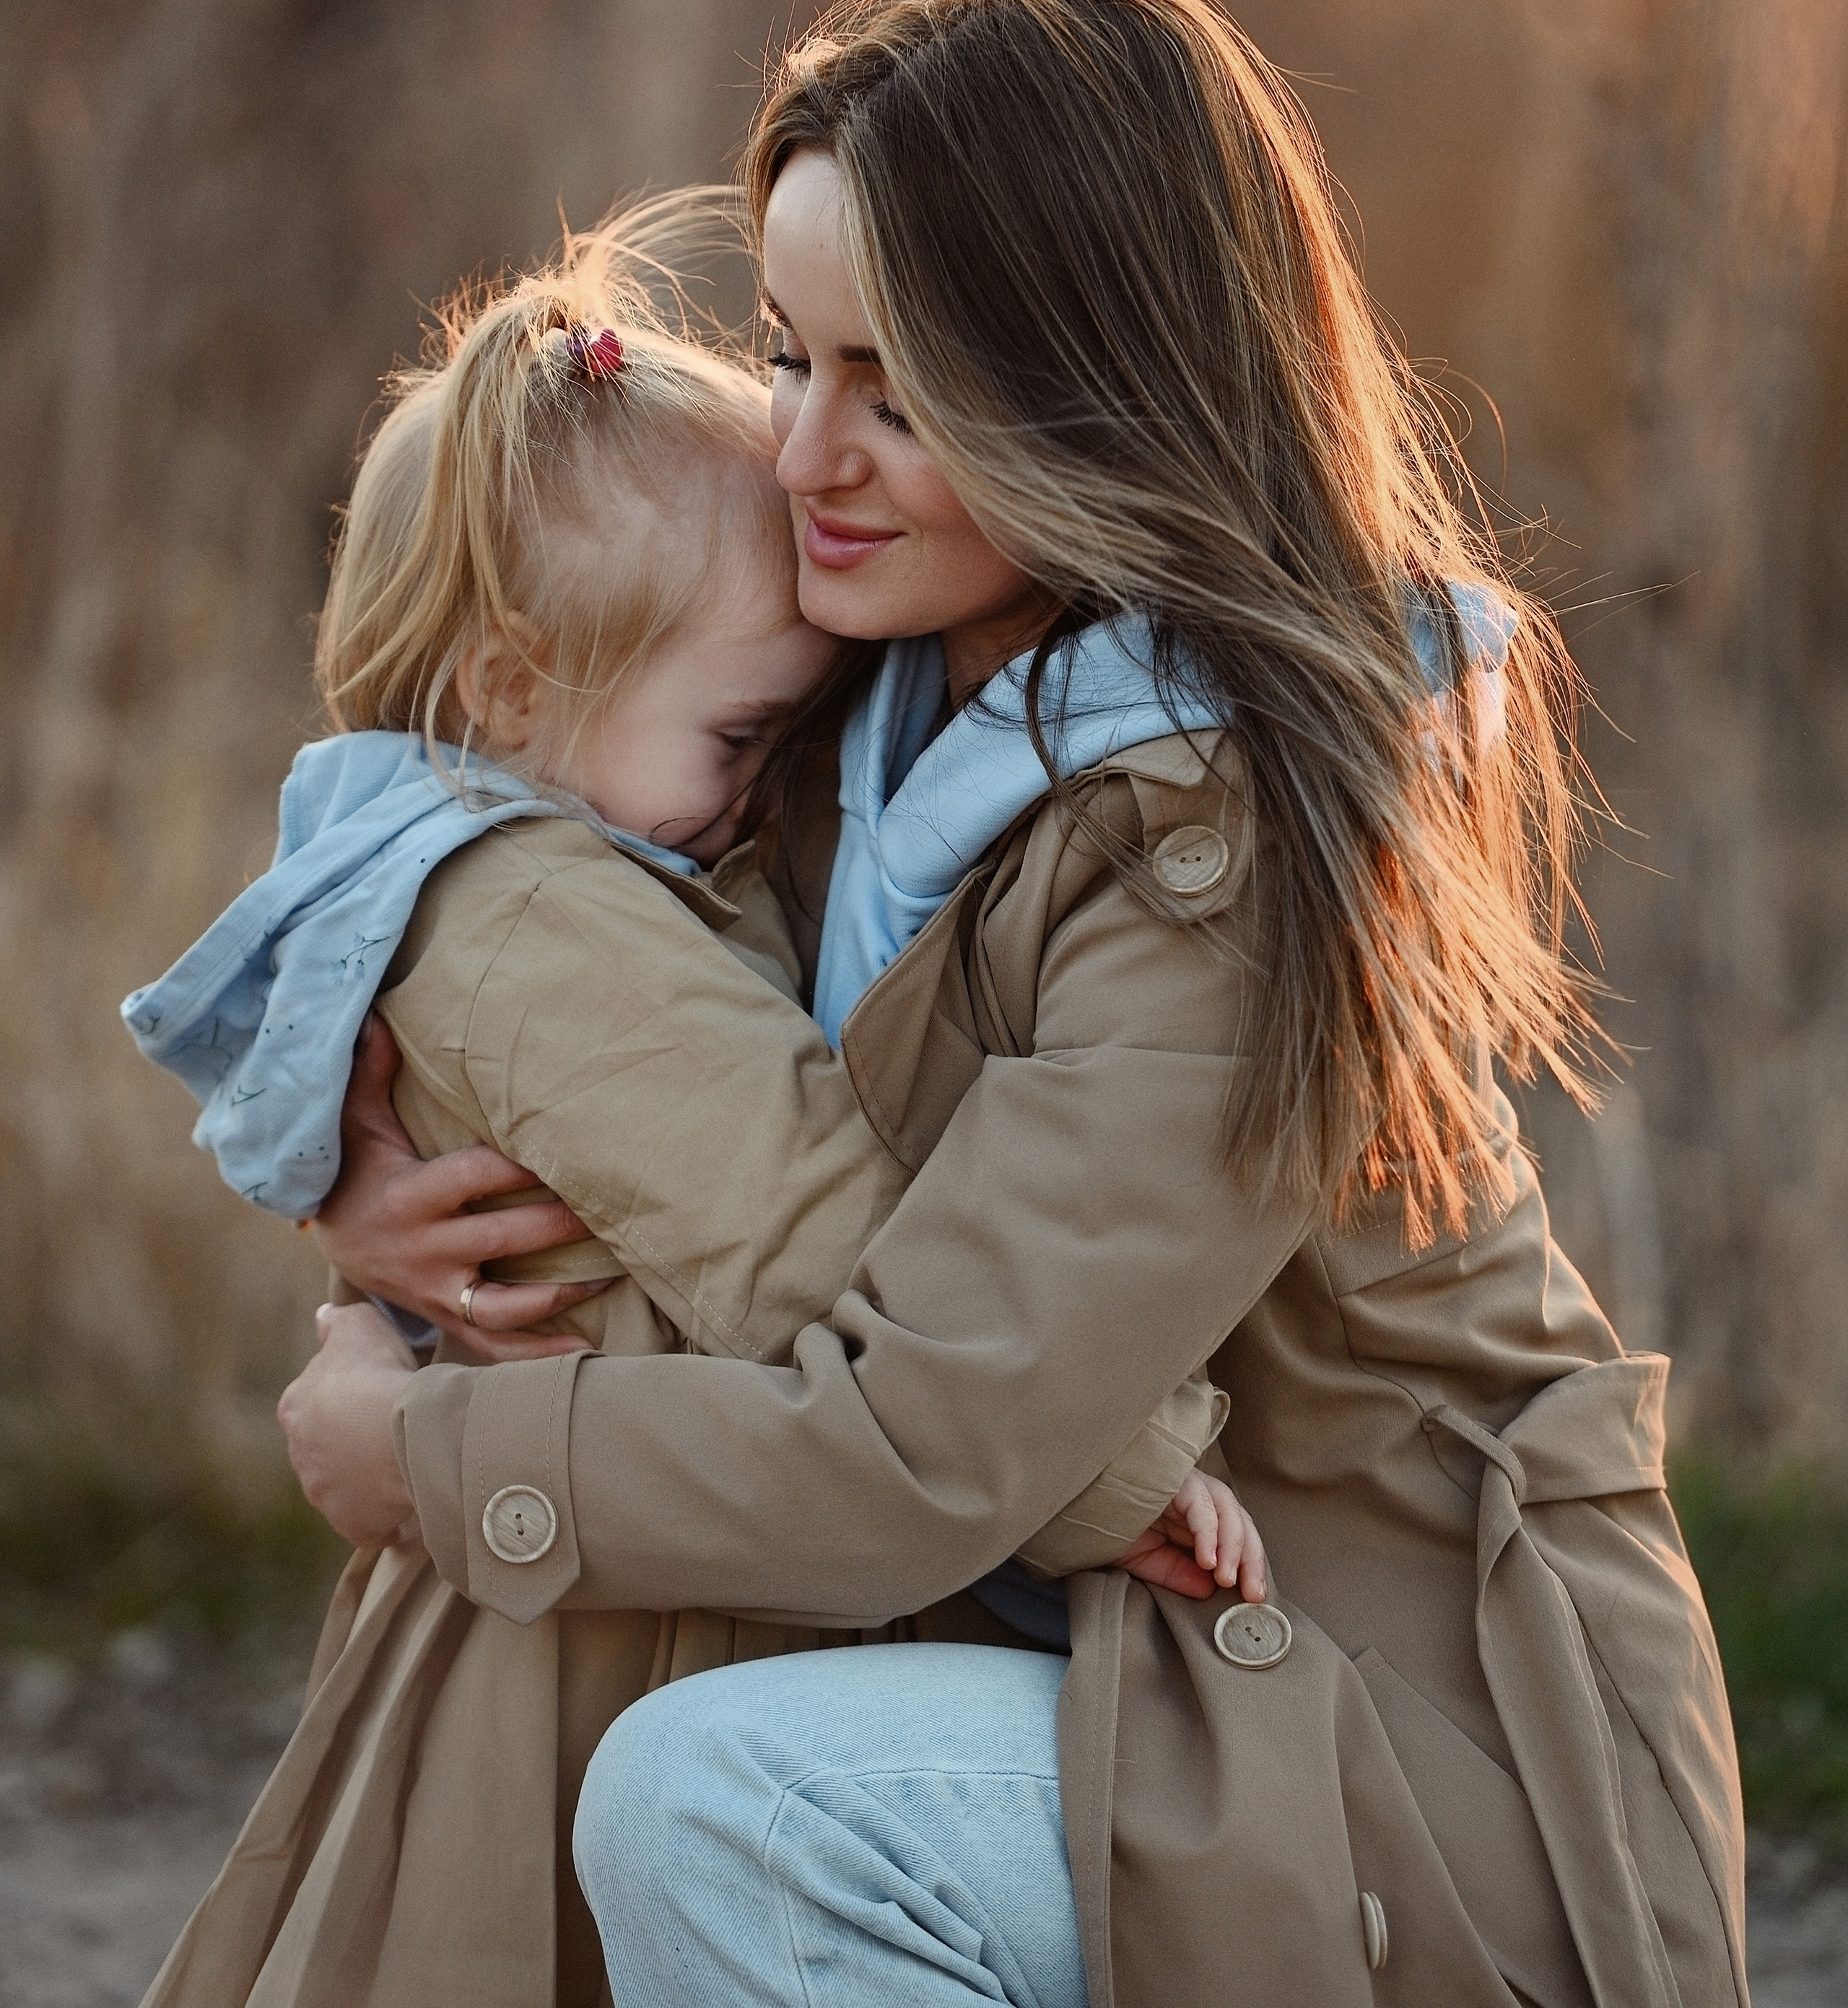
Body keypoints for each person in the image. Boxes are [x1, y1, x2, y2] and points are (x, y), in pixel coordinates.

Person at [282, 0, 1747, 2008]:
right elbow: (634, 1055)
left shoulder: (1222, 844)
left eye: (903, 391)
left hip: (1388, 1750)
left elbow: (913, 1457)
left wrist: (418, 1464)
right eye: (790, 358)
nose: (803, 456)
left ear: (1101, 389)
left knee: (725, 1802)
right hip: (1097, 1666)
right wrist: (392, 1244)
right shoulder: (831, 702)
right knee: (586, 1687)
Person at [124, 217, 1258, 2008]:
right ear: (512, 688)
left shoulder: (489, 848)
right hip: (618, 1614)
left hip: (613, 1556)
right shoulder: (533, 917)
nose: (755, 800)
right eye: (739, 741)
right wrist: (1113, 1478)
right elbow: (785, 1204)